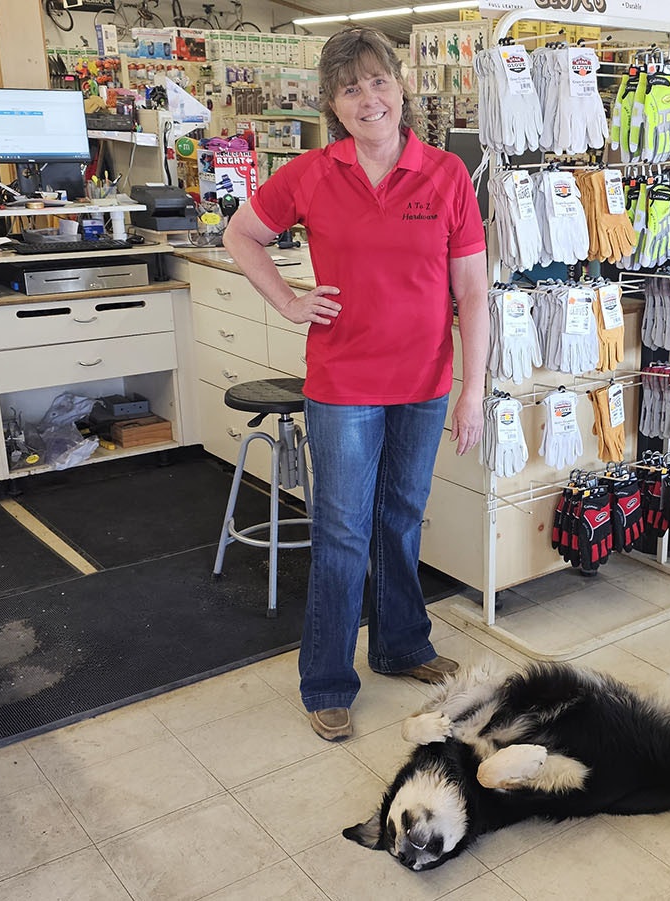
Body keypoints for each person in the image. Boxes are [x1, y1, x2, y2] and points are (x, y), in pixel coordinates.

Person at [222, 26, 489, 742]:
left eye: (378, 81)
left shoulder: (445, 175)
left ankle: (402, 645)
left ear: (400, 86)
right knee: (342, 531)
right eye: (350, 89)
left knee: (401, 516)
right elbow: (239, 234)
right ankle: (329, 680)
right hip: (342, 381)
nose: (368, 98)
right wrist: (286, 299)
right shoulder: (311, 174)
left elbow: (472, 289)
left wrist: (472, 388)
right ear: (333, 105)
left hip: (425, 380)